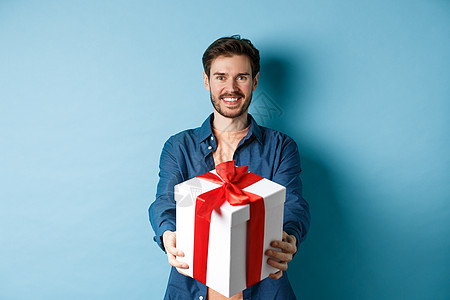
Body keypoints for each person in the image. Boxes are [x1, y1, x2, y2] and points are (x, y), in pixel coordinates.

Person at [149, 35, 310, 300]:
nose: (231, 88)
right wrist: (167, 233)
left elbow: (292, 203)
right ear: (206, 81)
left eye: (241, 77)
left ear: (255, 82)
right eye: (221, 77)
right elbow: (164, 202)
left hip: (266, 289)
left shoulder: (281, 147)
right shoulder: (179, 146)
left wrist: (289, 236)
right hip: (191, 290)